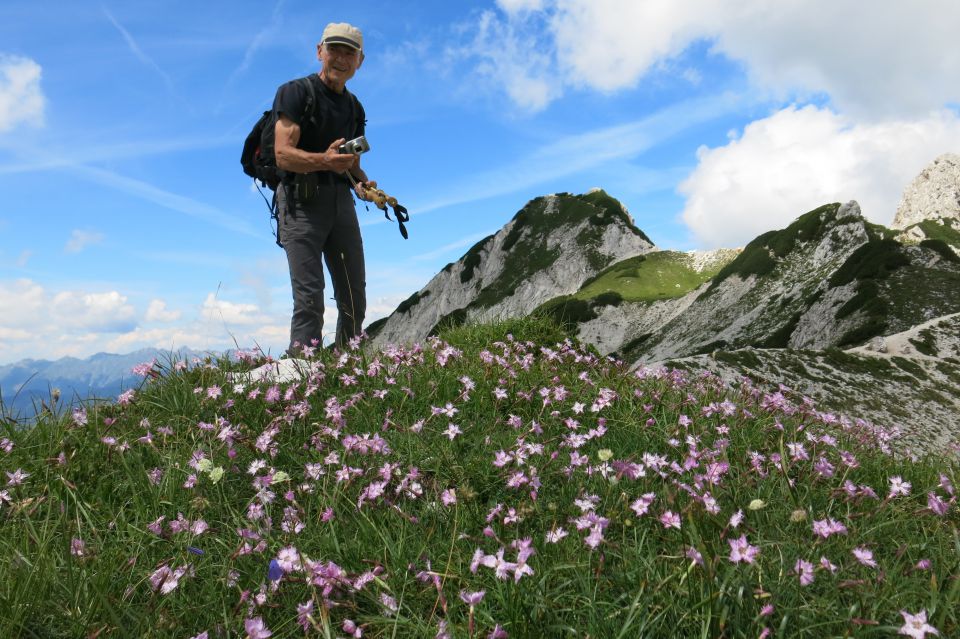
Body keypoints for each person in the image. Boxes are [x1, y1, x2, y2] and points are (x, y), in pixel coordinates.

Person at [272, 22, 376, 354]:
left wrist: (365, 186)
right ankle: (303, 375)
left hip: (341, 203)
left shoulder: (355, 107)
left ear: (360, 61)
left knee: (353, 293)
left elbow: (350, 164)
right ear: (320, 51)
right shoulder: (295, 92)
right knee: (310, 296)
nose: (341, 59)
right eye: (334, 50)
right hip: (300, 202)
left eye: (350, 53)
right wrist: (325, 161)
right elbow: (282, 154)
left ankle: (347, 370)